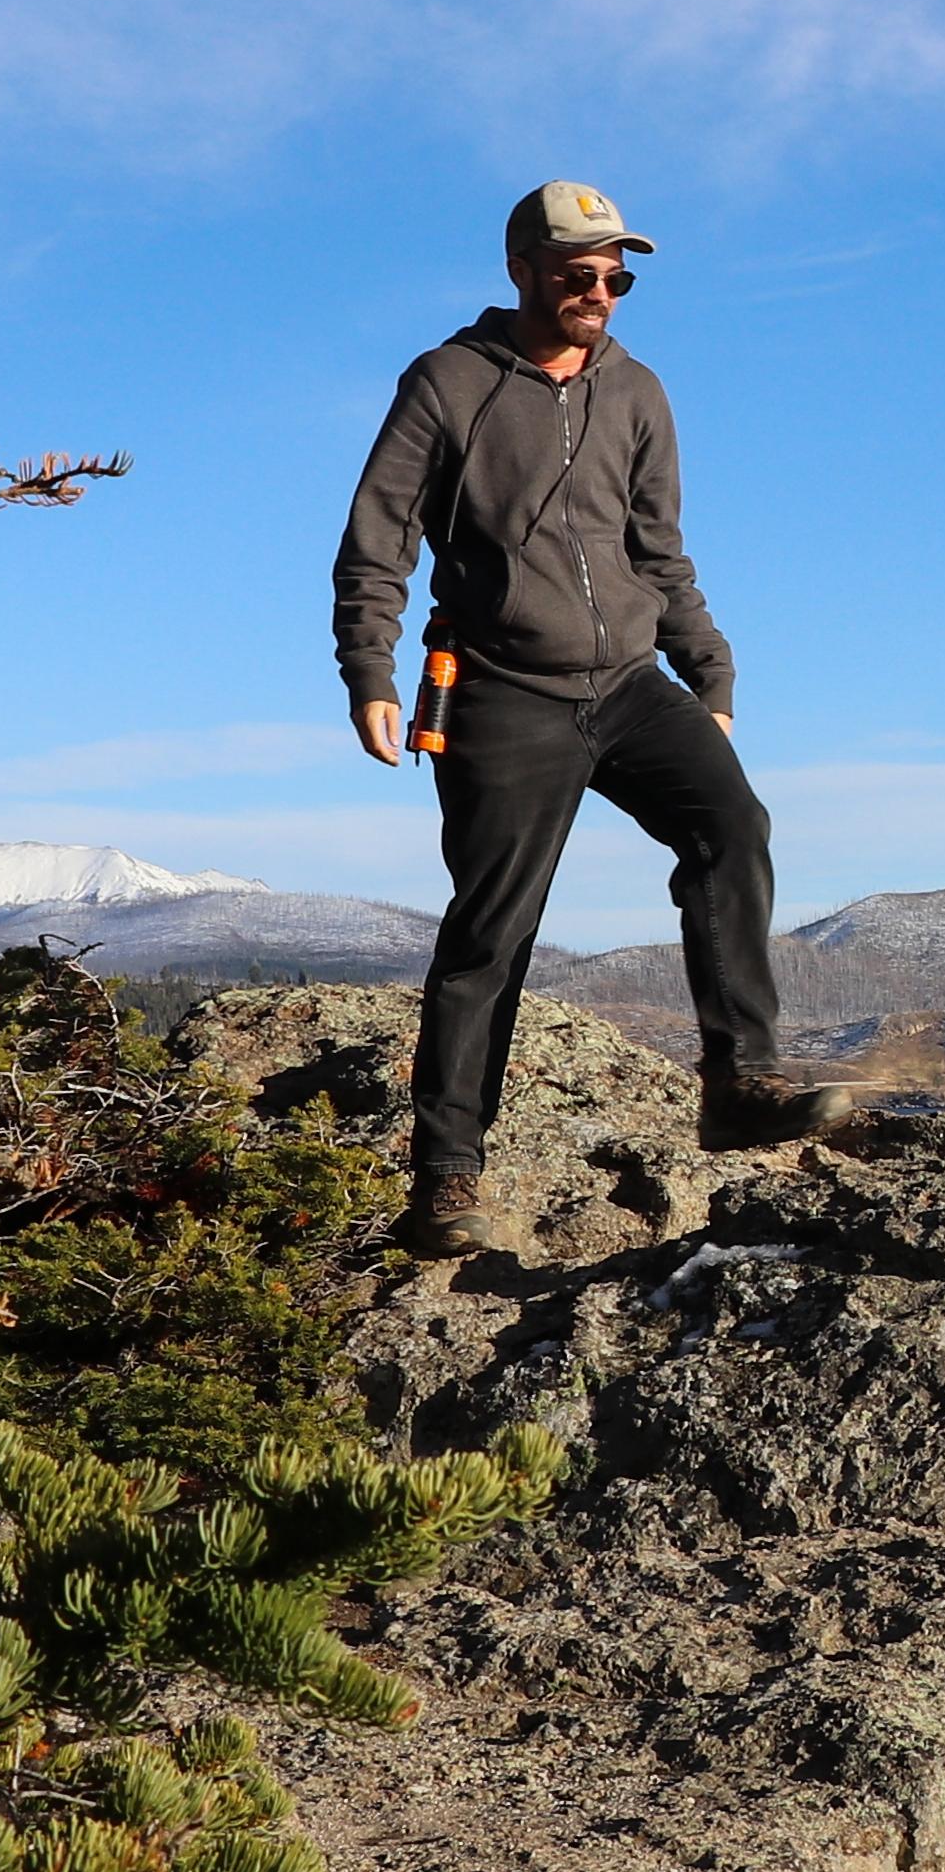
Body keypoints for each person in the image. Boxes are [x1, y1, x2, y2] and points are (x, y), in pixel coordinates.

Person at [336, 179, 849, 1253]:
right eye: (579, 275)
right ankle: (445, 1181)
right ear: (522, 268)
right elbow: (378, 534)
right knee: (493, 928)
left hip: (626, 684)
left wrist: (707, 679)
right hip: (498, 688)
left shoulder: (638, 391)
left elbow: (658, 553)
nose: (601, 293)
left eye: (616, 277)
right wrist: (369, 669)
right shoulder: (446, 383)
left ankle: (740, 1083)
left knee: (731, 825)